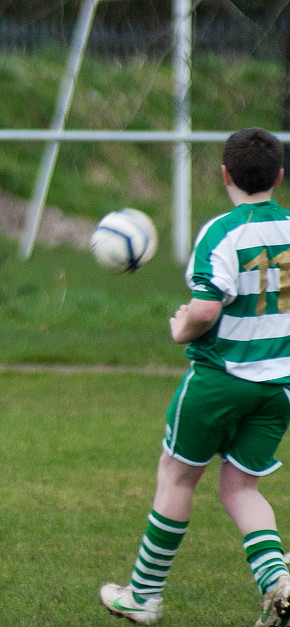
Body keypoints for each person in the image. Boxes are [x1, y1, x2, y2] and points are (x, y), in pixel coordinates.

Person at [100, 127, 290, 627]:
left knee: (178, 474)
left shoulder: (222, 233)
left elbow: (205, 310)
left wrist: (181, 326)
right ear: (279, 175)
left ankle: (142, 596)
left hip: (220, 378)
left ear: (224, 174)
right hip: (278, 388)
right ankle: (278, 584)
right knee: (241, 489)